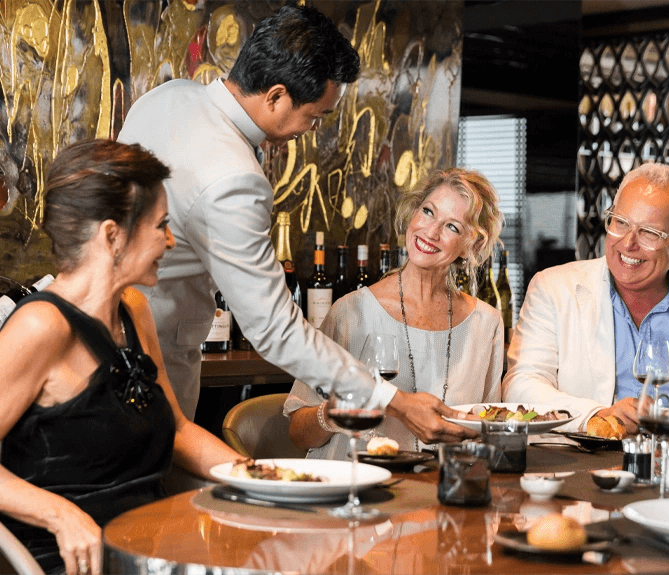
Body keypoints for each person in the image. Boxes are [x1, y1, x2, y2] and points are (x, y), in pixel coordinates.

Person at [117, 4, 474, 445]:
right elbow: (275, 329)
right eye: (316, 116)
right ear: (275, 96)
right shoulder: (234, 178)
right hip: (151, 371)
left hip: (97, 341)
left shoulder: (167, 97)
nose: (312, 130)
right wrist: (395, 401)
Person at [0, 140, 243, 575]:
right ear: (112, 235)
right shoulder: (42, 327)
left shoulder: (133, 309)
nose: (170, 241)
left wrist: (257, 476)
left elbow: (178, 429)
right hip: (74, 562)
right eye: (161, 226)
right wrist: (59, 514)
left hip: (149, 553)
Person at [504, 163, 669, 433]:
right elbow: (521, 384)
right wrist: (597, 415)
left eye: (650, 232)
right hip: (585, 460)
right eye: (620, 222)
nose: (628, 243)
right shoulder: (553, 288)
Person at [285, 168, 506, 458]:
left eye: (452, 227)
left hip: (439, 492)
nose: (431, 231)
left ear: (472, 245)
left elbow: (489, 429)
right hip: (357, 488)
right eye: (428, 212)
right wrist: (333, 412)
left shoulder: (486, 323)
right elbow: (299, 435)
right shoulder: (351, 312)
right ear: (413, 214)